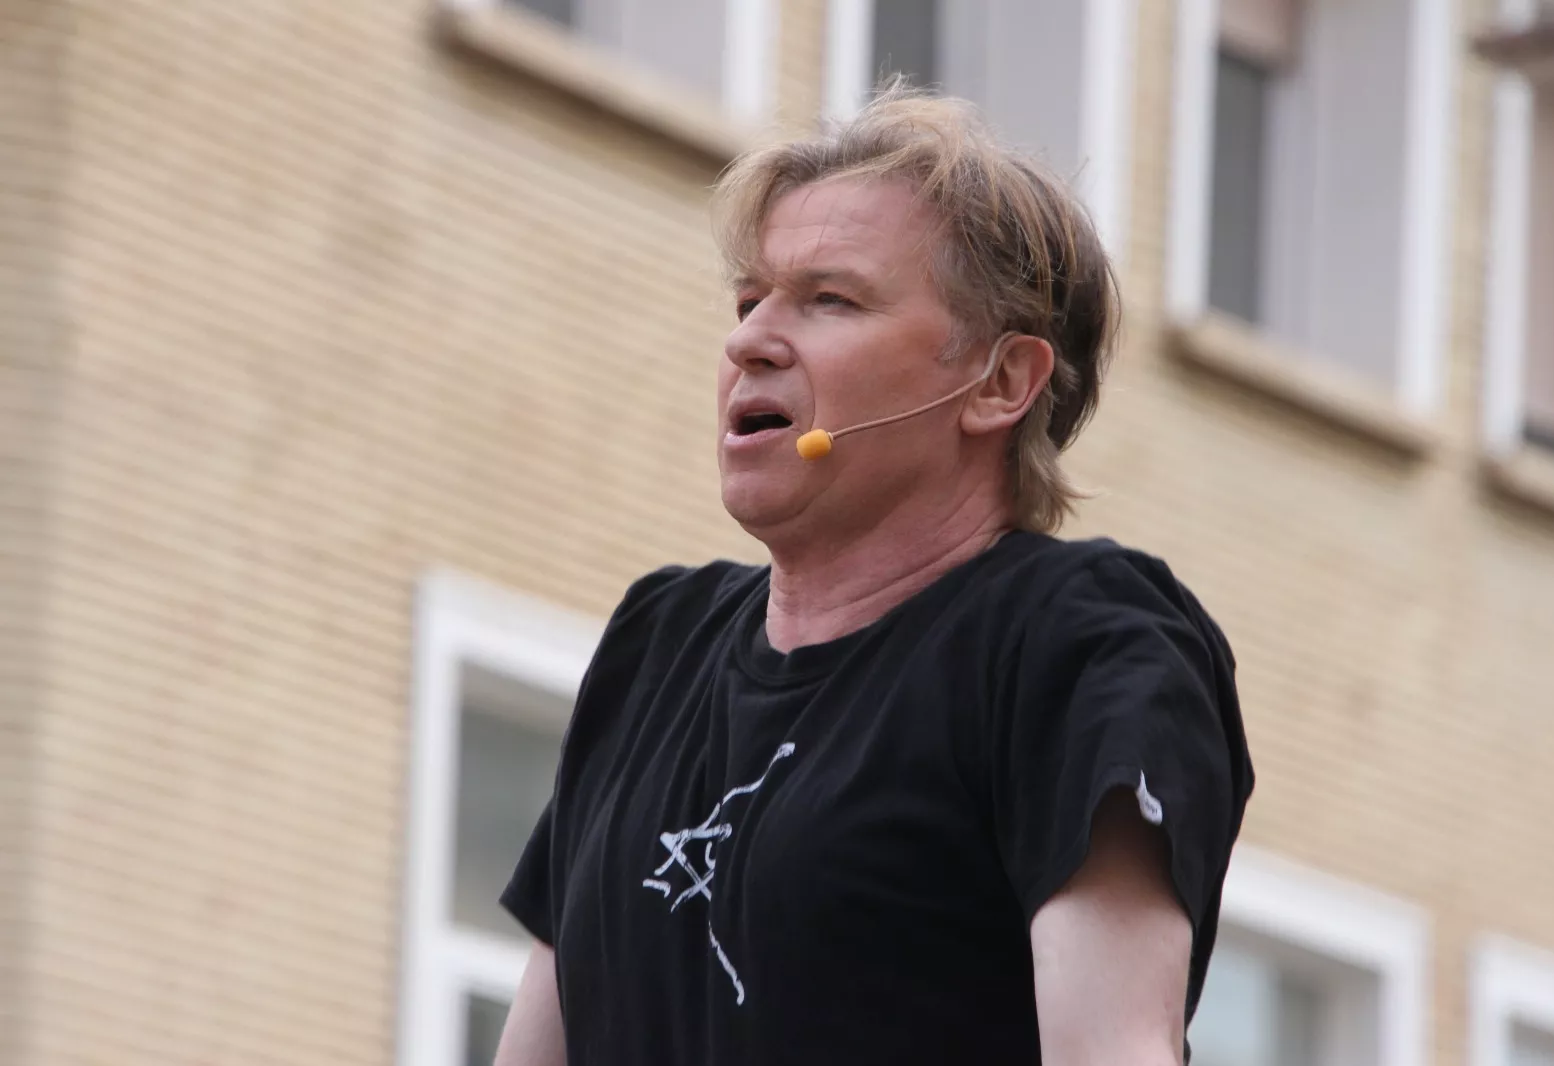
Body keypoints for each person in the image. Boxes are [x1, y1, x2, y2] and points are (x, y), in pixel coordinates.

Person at [492, 85, 1254, 1066]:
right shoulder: (655, 646)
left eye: (830, 300)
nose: (748, 341)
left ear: (999, 383)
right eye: (748, 299)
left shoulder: (1078, 642)